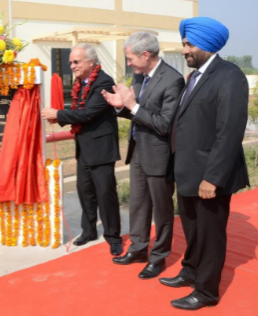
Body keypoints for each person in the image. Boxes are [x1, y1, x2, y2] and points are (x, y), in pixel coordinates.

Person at [158, 17, 249, 310]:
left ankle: (207, 291)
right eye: (184, 43)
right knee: (193, 231)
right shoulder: (194, 78)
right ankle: (190, 271)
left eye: (189, 44)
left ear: (207, 44)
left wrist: (213, 177)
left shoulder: (230, 76)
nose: (184, 50)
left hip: (210, 177)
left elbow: (230, 131)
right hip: (187, 172)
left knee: (210, 236)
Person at [102, 32, 185, 279]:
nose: (128, 63)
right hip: (138, 150)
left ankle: (158, 257)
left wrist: (132, 106)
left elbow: (164, 125)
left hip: (159, 155)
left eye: (130, 58)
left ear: (145, 55)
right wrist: (120, 106)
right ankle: (138, 249)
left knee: (162, 211)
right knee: (138, 205)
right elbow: (135, 112)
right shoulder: (139, 76)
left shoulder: (173, 80)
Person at [41, 44, 122, 255]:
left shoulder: (103, 81)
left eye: (76, 61)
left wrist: (57, 114)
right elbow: (79, 112)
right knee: (85, 192)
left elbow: (87, 114)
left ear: (91, 62)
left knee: (105, 194)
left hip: (101, 149)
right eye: (70, 62)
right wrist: (59, 115)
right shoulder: (81, 83)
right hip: (84, 147)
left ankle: (113, 236)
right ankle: (88, 231)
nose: (72, 66)